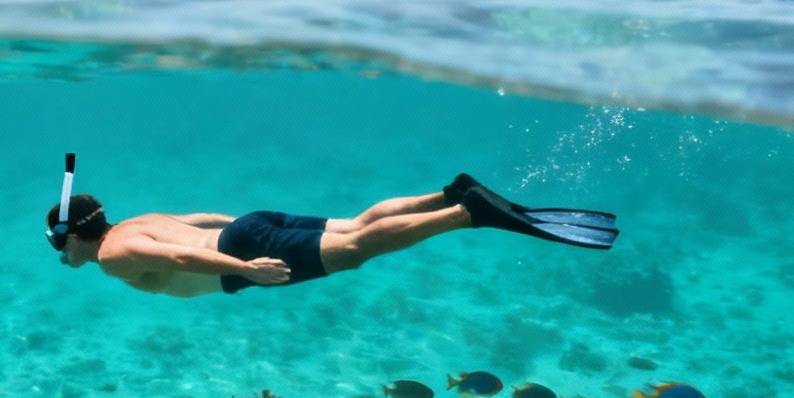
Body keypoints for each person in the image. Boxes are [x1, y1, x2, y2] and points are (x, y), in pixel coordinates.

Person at [46, 173, 616, 298]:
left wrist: (245, 268)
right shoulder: (132, 220)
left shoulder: (113, 254)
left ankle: (467, 214)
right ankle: (449, 192)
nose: (60, 256)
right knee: (358, 222)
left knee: (357, 251)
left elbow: (173, 254)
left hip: (241, 252)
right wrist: (246, 232)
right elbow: (198, 220)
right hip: (247, 223)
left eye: (57, 246)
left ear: (74, 237)